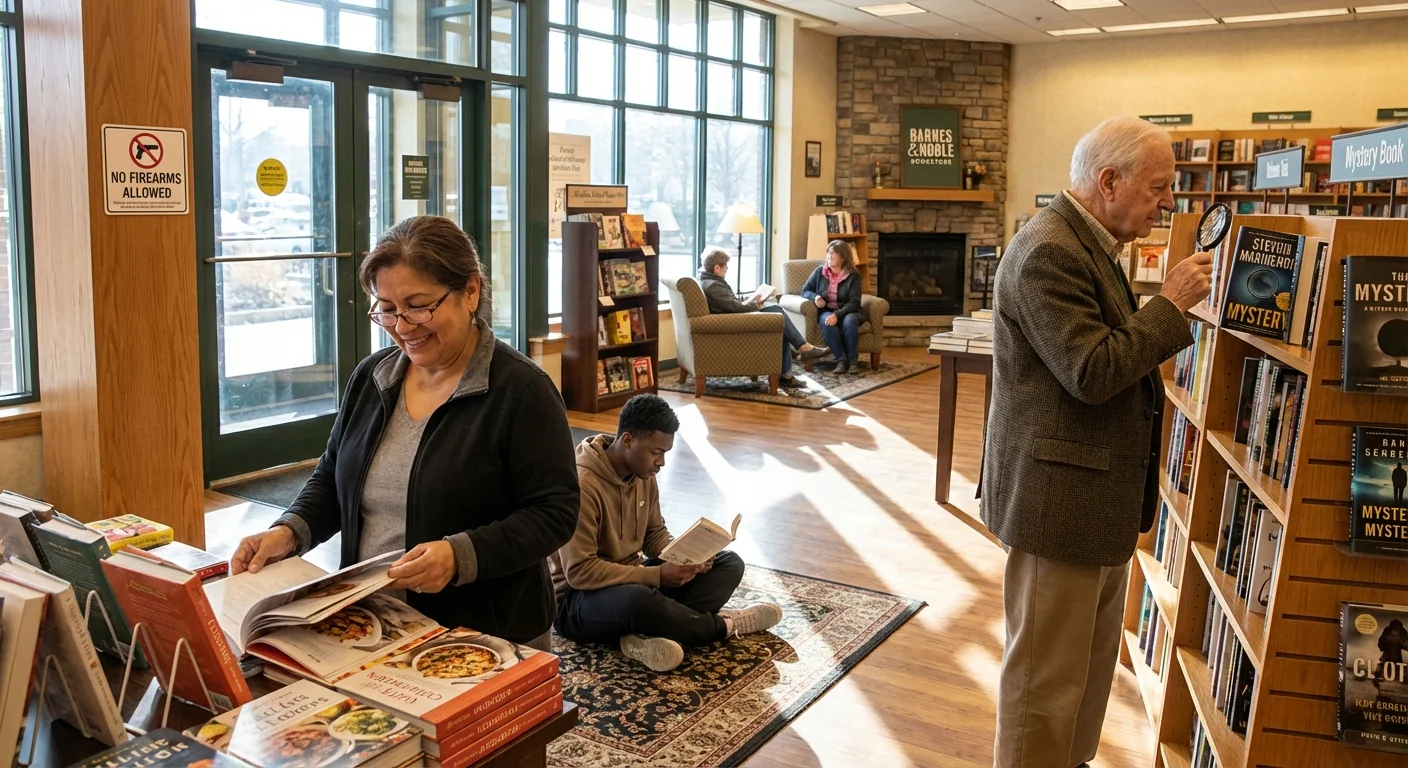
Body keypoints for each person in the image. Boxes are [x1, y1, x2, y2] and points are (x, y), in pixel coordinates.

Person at [229, 215, 579, 651]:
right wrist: (290, 531)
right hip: (373, 621)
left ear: (470, 292)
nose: (403, 326)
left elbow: (554, 513)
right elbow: (334, 474)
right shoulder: (373, 377)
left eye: (418, 305)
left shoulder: (522, 391)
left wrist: (459, 556)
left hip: (486, 634)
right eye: (388, 309)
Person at [981, 116, 1213, 768]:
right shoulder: (1048, 252)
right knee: (1044, 684)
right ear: (1108, 181)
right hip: (1059, 503)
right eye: (1157, 188)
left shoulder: (1088, 243)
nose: (1166, 203)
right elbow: (1092, 371)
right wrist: (1168, 306)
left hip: (1092, 499)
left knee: (1082, 674)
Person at [550, 394, 783, 671]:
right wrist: (658, 576)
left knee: (728, 564)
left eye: (665, 453)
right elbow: (580, 572)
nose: (661, 462)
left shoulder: (643, 475)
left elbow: (654, 534)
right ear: (627, 441)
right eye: (656, 451)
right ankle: (723, 625)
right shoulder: (582, 486)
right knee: (638, 600)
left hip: (633, 582)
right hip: (576, 603)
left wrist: (687, 557)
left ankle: (639, 638)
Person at [697, 247, 826, 388]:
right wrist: (756, 305)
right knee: (777, 312)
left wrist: (752, 299)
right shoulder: (714, 286)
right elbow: (735, 308)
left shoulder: (708, 281)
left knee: (778, 322)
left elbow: (730, 303)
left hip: (731, 319)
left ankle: (789, 370)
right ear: (717, 268)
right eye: (725, 267)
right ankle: (803, 348)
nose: (727, 269)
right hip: (732, 324)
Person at [799, 240, 864, 374]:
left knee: (850, 321)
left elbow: (854, 302)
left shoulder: (853, 275)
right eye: (828, 253)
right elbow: (805, 290)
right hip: (827, 310)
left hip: (849, 311)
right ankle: (841, 360)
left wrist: (838, 314)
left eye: (833, 254)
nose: (829, 257)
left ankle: (853, 361)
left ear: (843, 257)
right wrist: (816, 297)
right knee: (826, 321)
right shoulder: (819, 272)